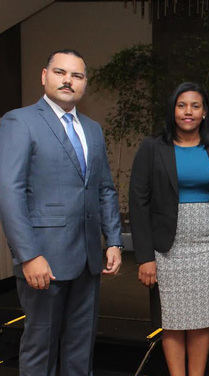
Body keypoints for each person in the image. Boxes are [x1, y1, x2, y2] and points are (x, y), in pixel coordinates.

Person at [0, 49, 122, 375]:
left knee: (80, 349)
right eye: (60, 72)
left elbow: (104, 188)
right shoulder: (19, 121)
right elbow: (9, 193)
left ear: (85, 84)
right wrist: (28, 255)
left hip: (88, 261)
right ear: (44, 76)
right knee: (41, 348)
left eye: (77, 75)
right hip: (44, 260)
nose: (68, 80)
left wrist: (113, 241)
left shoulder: (92, 129)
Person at [129, 82, 209, 376]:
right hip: (166, 248)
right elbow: (138, 204)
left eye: (195, 106)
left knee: (202, 320)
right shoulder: (152, 148)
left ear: (204, 113)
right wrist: (144, 257)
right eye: (181, 105)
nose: (188, 112)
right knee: (172, 321)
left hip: (206, 246)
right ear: (172, 110)